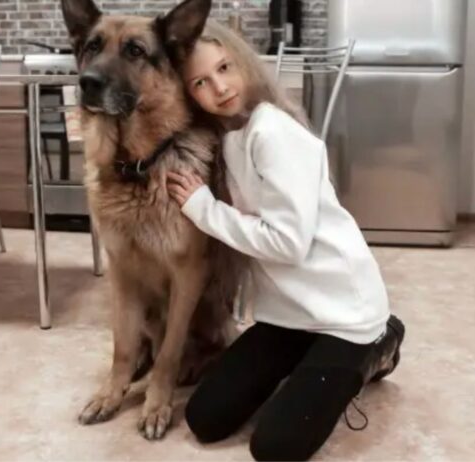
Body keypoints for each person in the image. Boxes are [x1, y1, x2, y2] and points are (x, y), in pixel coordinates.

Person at [166, 20, 406, 462]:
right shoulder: (226, 138)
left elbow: (287, 244)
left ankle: (384, 339)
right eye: (200, 82)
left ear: (243, 61)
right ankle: (311, 359)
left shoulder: (271, 131)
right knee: (205, 417)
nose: (219, 87)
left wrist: (203, 208)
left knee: (277, 446)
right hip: (288, 314)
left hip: (344, 314)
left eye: (224, 67)